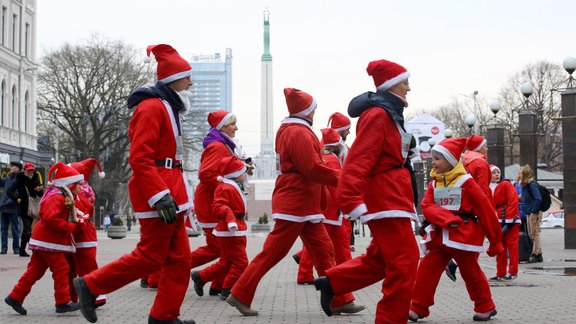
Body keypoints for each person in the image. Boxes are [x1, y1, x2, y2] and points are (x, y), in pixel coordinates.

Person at [73, 44, 195, 324]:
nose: (191, 82)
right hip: (160, 190)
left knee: (179, 261)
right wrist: (159, 195)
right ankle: (91, 286)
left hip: (170, 188)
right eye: (187, 76)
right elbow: (140, 158)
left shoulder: (167, 107)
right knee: (151, 256)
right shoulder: (152, 108)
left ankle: (164, 316)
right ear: (173, 78)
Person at [226, 88, 363, 316]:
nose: (315, 113)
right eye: (313, 109)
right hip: (297, 201)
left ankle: (340, 298)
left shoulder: (292, 130)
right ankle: (240, 293)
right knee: (273, 253)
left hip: (301, 202)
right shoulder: (298, 132)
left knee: (323, 250)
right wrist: (343, 178)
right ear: (306, 111)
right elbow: (311, 167)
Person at [314, 59, 420, 323]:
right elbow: (359, 159)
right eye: (405, 82)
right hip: (386, 198)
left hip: (392, 195)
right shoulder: (378, 115)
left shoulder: (388, 113)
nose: (409, 87)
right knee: (405, 262)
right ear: (392, 85)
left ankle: (333, 282)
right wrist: (350, 199)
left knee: (381, 259)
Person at [408, 138, 503, 322]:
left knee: (471, 273)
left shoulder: (466, 182)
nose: (433, 162)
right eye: (433, 158)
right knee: (426, 272)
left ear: (450, 161)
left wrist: (495, 240)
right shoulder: (434, 183)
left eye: (437, 159)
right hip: (439, 238)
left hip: (463, 237)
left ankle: (485, 306)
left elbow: (485, 209)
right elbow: (426, 206)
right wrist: (445, 219)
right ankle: (418, 307)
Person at [4, 162, 83, 315]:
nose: (80, 187)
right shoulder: (57, 197)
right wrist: (70, 227)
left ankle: (15, 296)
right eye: (77, 184)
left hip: (45, 240)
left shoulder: (59, 195)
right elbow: (50, 218)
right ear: (68, 184)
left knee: (35, 270)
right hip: (49, 241)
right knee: (61, 268)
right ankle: (62, 302)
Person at [191, 109, 251, 296]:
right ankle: (171, 267)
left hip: (217, 203)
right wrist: (229, 182)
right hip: (213, 205)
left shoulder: (225, 145)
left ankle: (219, 285)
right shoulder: (218, 146)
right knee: (218, 248)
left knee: (225, 250)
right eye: (233, 124)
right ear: (223, 126)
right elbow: (206, 174)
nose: (236, 128)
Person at [294, 128, 355, 285]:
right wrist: (346, 205)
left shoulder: (324, 157)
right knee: (338, 245)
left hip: (328, 209)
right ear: (336, 145)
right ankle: (345, 272)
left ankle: (308, 274)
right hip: (333, 210)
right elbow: (337, 186)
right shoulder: (333, 160)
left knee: (333, 244)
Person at [445, 134, 494, 281]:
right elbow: (483, 189)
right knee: (477, 240)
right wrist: (485, 209)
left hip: (466, 205)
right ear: (479, 148)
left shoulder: (467, 162)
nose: (487, 149)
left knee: (471, 239)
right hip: (479, 206)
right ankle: (469, 271)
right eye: (485, 146)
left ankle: (461, 267)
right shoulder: (481, 163)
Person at [65, 158, 107, 307]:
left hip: (80, 232)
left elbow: (78, 212)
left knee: (81, 267)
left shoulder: (76, 192)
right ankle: (80, 297)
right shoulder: (84, 190)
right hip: (84, 232)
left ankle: (93, 295)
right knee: (84, 265)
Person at [327, 112, 356, 252]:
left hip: (336, 204)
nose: (349, 132)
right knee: (337, 240)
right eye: (347, 129)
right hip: (337, 203)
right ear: (341, 130)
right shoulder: (338, 152)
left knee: (334, 241)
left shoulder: (338, 148)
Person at [489, 165, 520, 281]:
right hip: (498, 220)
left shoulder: (506, 184)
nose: (497, 174)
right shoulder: (487, 187)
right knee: (500, 247)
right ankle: (500, 272)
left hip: (511, 220)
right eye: (494, 173)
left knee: (512, 246)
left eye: (498, 172)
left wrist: (511, 218)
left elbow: (513, 200)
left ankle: (512, 272)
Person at [7, 162, 44, 257]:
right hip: (23, 206)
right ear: (24, 170)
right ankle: (34, 249)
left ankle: (22, 250)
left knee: (27, 230)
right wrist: (17, 199)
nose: (31, 172)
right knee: (27, 228)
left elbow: (40, 194)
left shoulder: (36, 177)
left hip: (32, 206)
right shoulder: (19, 179)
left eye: (32, 170)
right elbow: (9, 191)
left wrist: (39, 190)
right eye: (29, 170)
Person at [518, 164, 543, 263]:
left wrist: (533, 210)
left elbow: (538, 198)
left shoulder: (532, 184)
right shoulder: (527, 185)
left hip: (533, 213)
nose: (519, 174)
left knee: (534, 233)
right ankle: (538, 253)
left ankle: (536, 253)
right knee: (532, 233)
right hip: (529, 211)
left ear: (525, 174)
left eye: (520, 172)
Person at [1, 161, 22, 254]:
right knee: (3, 229)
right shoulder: (8, 179)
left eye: (12, 166)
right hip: (3, 208)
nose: (10, 167)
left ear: (17, 168)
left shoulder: (20, 180)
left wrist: (4, 203)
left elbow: (17, 194)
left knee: (14, 229)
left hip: (13, 208)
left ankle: (16, 248)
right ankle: (4, 248)